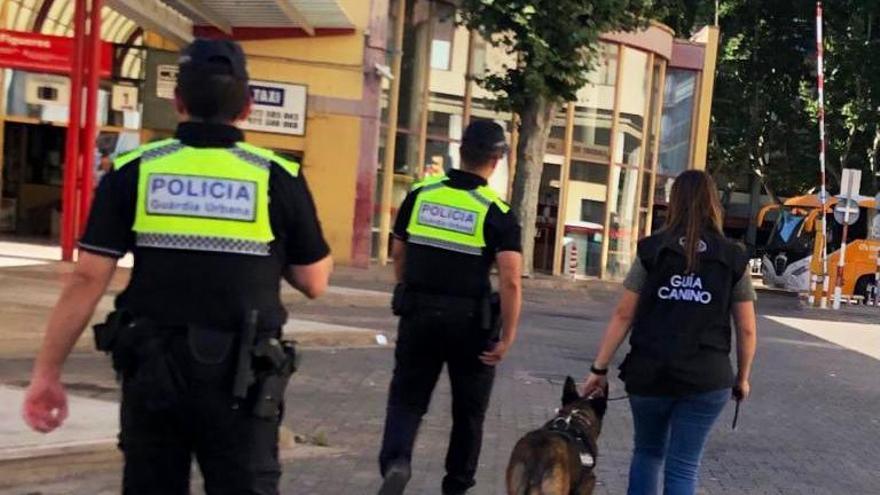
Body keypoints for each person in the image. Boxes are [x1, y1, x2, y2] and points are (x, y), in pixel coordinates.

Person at [22, 39, 333, 495]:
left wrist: (46, 373)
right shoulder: (277, 176)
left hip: (154, 372)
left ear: (178, 101)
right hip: (241, 383)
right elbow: (315, 281)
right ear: (247, 107)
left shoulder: (134, 170)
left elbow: (88, 277)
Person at [582, 170, 758, 495]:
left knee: (647, 453)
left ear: (674, 202)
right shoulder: (734, 257)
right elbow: (746, 328)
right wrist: (742, 378)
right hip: (707, 378)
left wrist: (599, 368)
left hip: (649, 374)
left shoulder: (652, 250)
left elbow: (624, 314)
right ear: (713, 204)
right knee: (683, 466)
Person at [378, 120, 523, 495]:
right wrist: (507, 335)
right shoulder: (497, 211)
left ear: (460, 151)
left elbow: (398, 252)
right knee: (468, 413)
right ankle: (456, 486)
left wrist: (408, 288)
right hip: (471, 323)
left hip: (419, 314)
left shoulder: (421, 194)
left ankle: (396, 462)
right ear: (496, 159)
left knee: (408, 399)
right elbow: (510, 279)